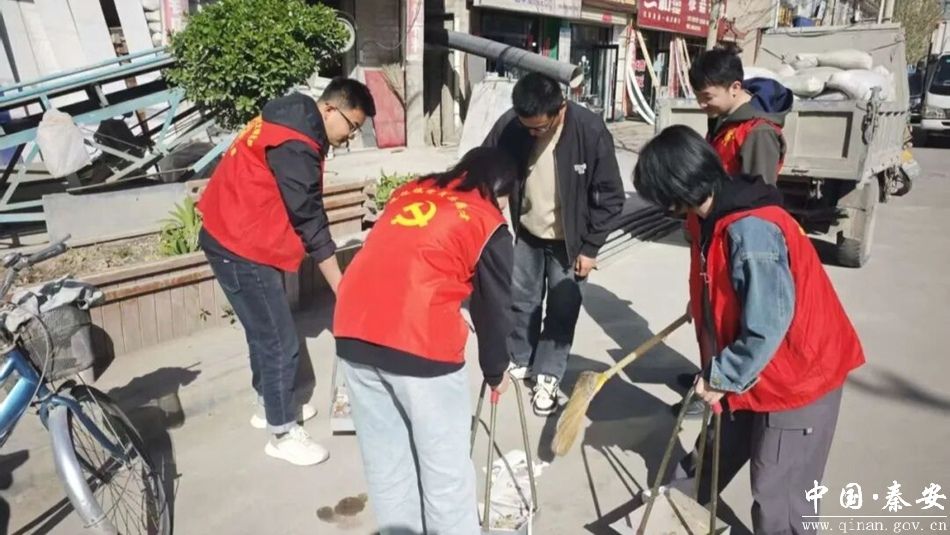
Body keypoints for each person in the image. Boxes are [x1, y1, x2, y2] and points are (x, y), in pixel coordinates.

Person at [634, 126, 865, 535]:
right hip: (756, 365)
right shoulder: (712, 212)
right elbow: (729, 281)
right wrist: (704, 306)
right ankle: (681, 501)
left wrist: (724, 375)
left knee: (779, 492)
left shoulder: (751, 229)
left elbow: (768, 323)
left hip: (797, 375)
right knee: (720, 442)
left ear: (677, 190)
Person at [333, 147, 517, 535]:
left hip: (352, 329)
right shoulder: (487, 220)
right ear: (501, 188)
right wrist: (496, 370)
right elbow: (493, 308)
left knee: (387, 464)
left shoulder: (411, 190)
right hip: (421, 342)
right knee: (445, 476)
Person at [197, 78, 376, 466]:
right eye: (351, 126)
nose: (350, 137)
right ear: (329, 109)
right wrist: (341, 287)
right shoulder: (296, 142)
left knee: (263, 331)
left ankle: (269, 404)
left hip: (237, 232)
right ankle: (281, 434)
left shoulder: (293, 118)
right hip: (239, 245)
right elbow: (309, 219)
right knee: (279, 340)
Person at [482, 72, 625, 416]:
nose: (533, 133)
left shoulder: (589, 131)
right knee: (522, 301)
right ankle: (521, 357)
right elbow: (485, 163)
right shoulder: (512, 125)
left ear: (560, 110)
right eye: (527, 127)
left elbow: (611, 196)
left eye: (540, 128)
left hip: (571, 242)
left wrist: (590, 247)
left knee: (562, 308)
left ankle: (548, 374)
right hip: (528, 232)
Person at [675, 44, 795, 418]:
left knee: (729, 317)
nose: (701, 105)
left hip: (732, 245)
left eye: (707, 97)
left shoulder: (756, 133)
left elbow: (757, 203)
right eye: (698, 97)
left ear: (735, 88)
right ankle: (707, 373)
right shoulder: (723, 123)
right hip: (709, 238)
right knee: (707, 315)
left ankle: (721, 392)